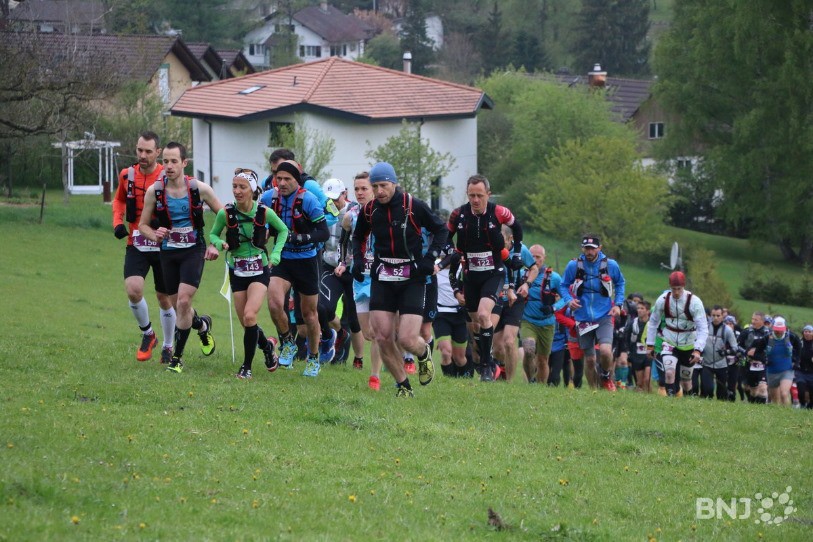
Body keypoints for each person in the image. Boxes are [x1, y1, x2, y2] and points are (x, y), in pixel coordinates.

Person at [351, 162, 447, 397]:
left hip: (411, 277)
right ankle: (403, 386)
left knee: (406, 338)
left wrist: (430, 259)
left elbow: (442, 230)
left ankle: (423, 353)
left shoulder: (413, 205)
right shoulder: (369, 209)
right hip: (382, 276)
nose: (379, 191)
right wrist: (358, 259)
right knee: (381, 336)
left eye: (383, 185)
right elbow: (358, 237)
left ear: (394, 183)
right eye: (375, 186)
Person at [138, 141, 222, 373]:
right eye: (165, 161)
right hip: (168, 252)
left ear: (184, 163)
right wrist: (155, 234)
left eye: (174, 161)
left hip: (193, 250)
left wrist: (216, 242)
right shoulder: (154, 191)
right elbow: (142, 225)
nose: (169, 166)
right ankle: (202, 325)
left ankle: (177, 358)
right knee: (179, 308)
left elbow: (224, 215)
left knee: (184, 302)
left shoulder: (199, 189)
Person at [208, 168, 288, 379]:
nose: (237, 191)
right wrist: (219, 243)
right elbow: (213, 234)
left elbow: (283, 231)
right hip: (237, 269)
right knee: (246, 322)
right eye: (234, 186)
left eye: (242, 187)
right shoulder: (225, 213)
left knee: (250, 315)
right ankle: (268, 347)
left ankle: (246, 368)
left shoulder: (264, 212)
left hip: (259, 269)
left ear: (252, 190)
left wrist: (276, 254)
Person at [447, 175, 525, 381]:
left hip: (494, 272)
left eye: (479, 196)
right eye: (471, 195)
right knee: (475, 325)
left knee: (484, 315)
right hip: (471, 275)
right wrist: (450, 250)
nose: (475, 200)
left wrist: (516, 253)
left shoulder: (498, 212)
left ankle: (486, 366)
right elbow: (445, 236)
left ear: (488, 195)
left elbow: (517, 228)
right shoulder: (458, 215)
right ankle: (486, 359)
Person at [259, 160, 330, 376]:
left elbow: (323, 232)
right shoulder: (267, 198)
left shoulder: (308, 199)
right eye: (278, 178)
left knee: (309, 314)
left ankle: (314, 357)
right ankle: (287, 342)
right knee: (274, 303)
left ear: (296, 181)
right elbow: (262, 227)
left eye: (287, 179)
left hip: (307, 260)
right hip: (283, 259)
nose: (281, 183)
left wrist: (300, 237)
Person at [112, 131, 177, 364]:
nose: (143, 155)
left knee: (164, 297)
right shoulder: (126, 175)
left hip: (163, 245)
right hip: (136, 243)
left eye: (148, 151)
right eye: (140, 150)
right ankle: (148, 334)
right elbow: (119, 200)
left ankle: (169, 346)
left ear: (157, 152)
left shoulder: (168, 176)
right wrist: (118, 222)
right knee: (133, 288)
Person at [561, 234, 626, 391]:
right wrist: (569, 300)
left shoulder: (611, 265)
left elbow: (620, 283)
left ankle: (605, 376)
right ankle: (593, 391)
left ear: (599, 248)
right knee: (589, 360)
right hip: (583, 318)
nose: (589, 251)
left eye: (592, 248)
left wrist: (618, 305)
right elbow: (563, 285)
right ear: (582, 248)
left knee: (604, 351)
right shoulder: (574, 266)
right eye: (586, 248)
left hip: (604, 315)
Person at [316, 178, 361, 365]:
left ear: (345, 194)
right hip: (329, 267)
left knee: (354, 320)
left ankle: (358, 359)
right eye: (328, 199)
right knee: (323, 308)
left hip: (352, 270)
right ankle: (340, 334)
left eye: (335, 198)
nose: (332, 203)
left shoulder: (355, 213)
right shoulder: (321, 213)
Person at [646, 271, 707, 396]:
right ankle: (671, 403)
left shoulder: (695, 302)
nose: (676, 292)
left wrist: (698, 350)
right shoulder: (662, 300)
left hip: (689, 343)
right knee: (669, 373)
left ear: (683, 287)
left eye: (679, 289)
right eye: (673, 289)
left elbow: (703, 328)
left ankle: (688, 403)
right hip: (669, 340)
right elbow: (653, 322)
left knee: (686, 381)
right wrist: (650, 344)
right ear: (670, 287)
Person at [493, 226, 538, 381]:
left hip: (515, 299)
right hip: (496, 297)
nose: (500, 245)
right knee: (498, 347)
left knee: (509, 340)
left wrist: (527, 285)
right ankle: (502, 367)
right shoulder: (492, 249)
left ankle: (509, 383)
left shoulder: (521, 250)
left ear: (510, 238)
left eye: (503, 241)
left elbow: (534, 268)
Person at [521, 245, 566, 384]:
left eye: (538, 257)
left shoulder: (554, 277)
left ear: (544, 258)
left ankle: (540, 388)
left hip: (547, 323)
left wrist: (553, 308)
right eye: (532, 256)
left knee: (542, 359)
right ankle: (531, 380)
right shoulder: (522, 274)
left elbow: (566, 297)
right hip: (527, 320)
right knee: (529, 350)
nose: (534, 260)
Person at [751, 316, 800, 406]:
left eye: (781, 329)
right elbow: (757, 354)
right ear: (772, 327)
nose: (779, 332)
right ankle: (779, 414)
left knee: (784, 394)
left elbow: (799, 348)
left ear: (784, 328)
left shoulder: (791, 337)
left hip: (787, 370)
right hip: (772, 371)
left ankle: (787, 415)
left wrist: (796, 362)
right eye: (776, 329)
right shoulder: (766, 338)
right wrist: (764, 360)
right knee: (775, 399)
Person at [700, 305, 739, 400]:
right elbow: (697, 340)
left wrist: (725, 352)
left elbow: (735, 348)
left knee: (722, 394)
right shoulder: (704, 327)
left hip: (721, 364)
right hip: (706, 363)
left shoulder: (728, 330)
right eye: (713, 315)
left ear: (722, 316)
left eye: (718, 315)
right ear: (710, 316)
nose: (715, 318)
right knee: (707, 389)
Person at [737, 311, 772, 403]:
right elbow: (736, 346)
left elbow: (773, 347)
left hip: (763, 363)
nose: (753, 321)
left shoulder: (768, 333)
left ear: (762, 321)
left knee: (763, 387)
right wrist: (746, 352)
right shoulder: (746, 332)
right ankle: (751, 401)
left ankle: (762, 407)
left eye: (755, 320)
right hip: (747, 362)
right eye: (752, 319)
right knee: (748, 388)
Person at [625, 300, 652, 393]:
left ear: (647, 311)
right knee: (639, 383)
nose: (639, 310)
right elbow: (626, 337)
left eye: (642, 308)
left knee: (647, 380)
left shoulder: (653, 323)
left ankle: (650, 398)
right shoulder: (633, 323)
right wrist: (627, 353)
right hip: (636, 355)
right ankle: (642, 398)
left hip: (649, 354)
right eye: (638, 308)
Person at [797, 324, 813, 409]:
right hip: (800, 371)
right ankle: (802, 404)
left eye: (809, 332)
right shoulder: (799, 342)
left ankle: (810, 407)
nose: (807, 333)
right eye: (806, 331)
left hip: (811, 372)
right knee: (801, 388)